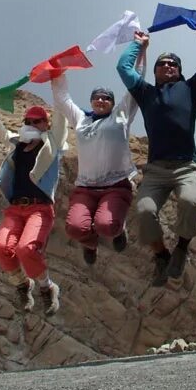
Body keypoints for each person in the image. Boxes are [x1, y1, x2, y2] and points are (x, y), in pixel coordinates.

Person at [117, 20, 196, 286]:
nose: (167, 67)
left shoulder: (191, 89)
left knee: (193, 203)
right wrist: (138, 44)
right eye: (162, 64)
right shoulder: (145, 93)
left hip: (186, 166)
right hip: (155, 170)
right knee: (143, 211)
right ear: (155, 71)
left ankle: (182, 247)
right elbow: (123, 67)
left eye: (173, 64)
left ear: (179, 71)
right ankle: (161, 255)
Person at [50, 72, 138, 265]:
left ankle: (119, 228)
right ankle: (90, 244)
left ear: (113, 103)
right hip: (86, 188)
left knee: (107, 225)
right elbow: (62, 99)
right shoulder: (81, 120)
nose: (101, 100)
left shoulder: (119, 117)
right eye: (96, 97)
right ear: (90, 101)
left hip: (115, 186)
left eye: (106, 98)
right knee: (74, 228)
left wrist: (141, 51)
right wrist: (57, 72)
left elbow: (134, 86)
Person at [0, 104, 68, 315]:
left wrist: (56, 81)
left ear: (46, 124)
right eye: (28, 121)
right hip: (15, 208)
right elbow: (1, 133)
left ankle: (47, 288)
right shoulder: (17, 145)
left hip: (39, 208)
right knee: (1, 248)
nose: (32, 124)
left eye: (37, 121)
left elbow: (62, 119)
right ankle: (23, 285)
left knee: (26, 249)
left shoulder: (53, 143)